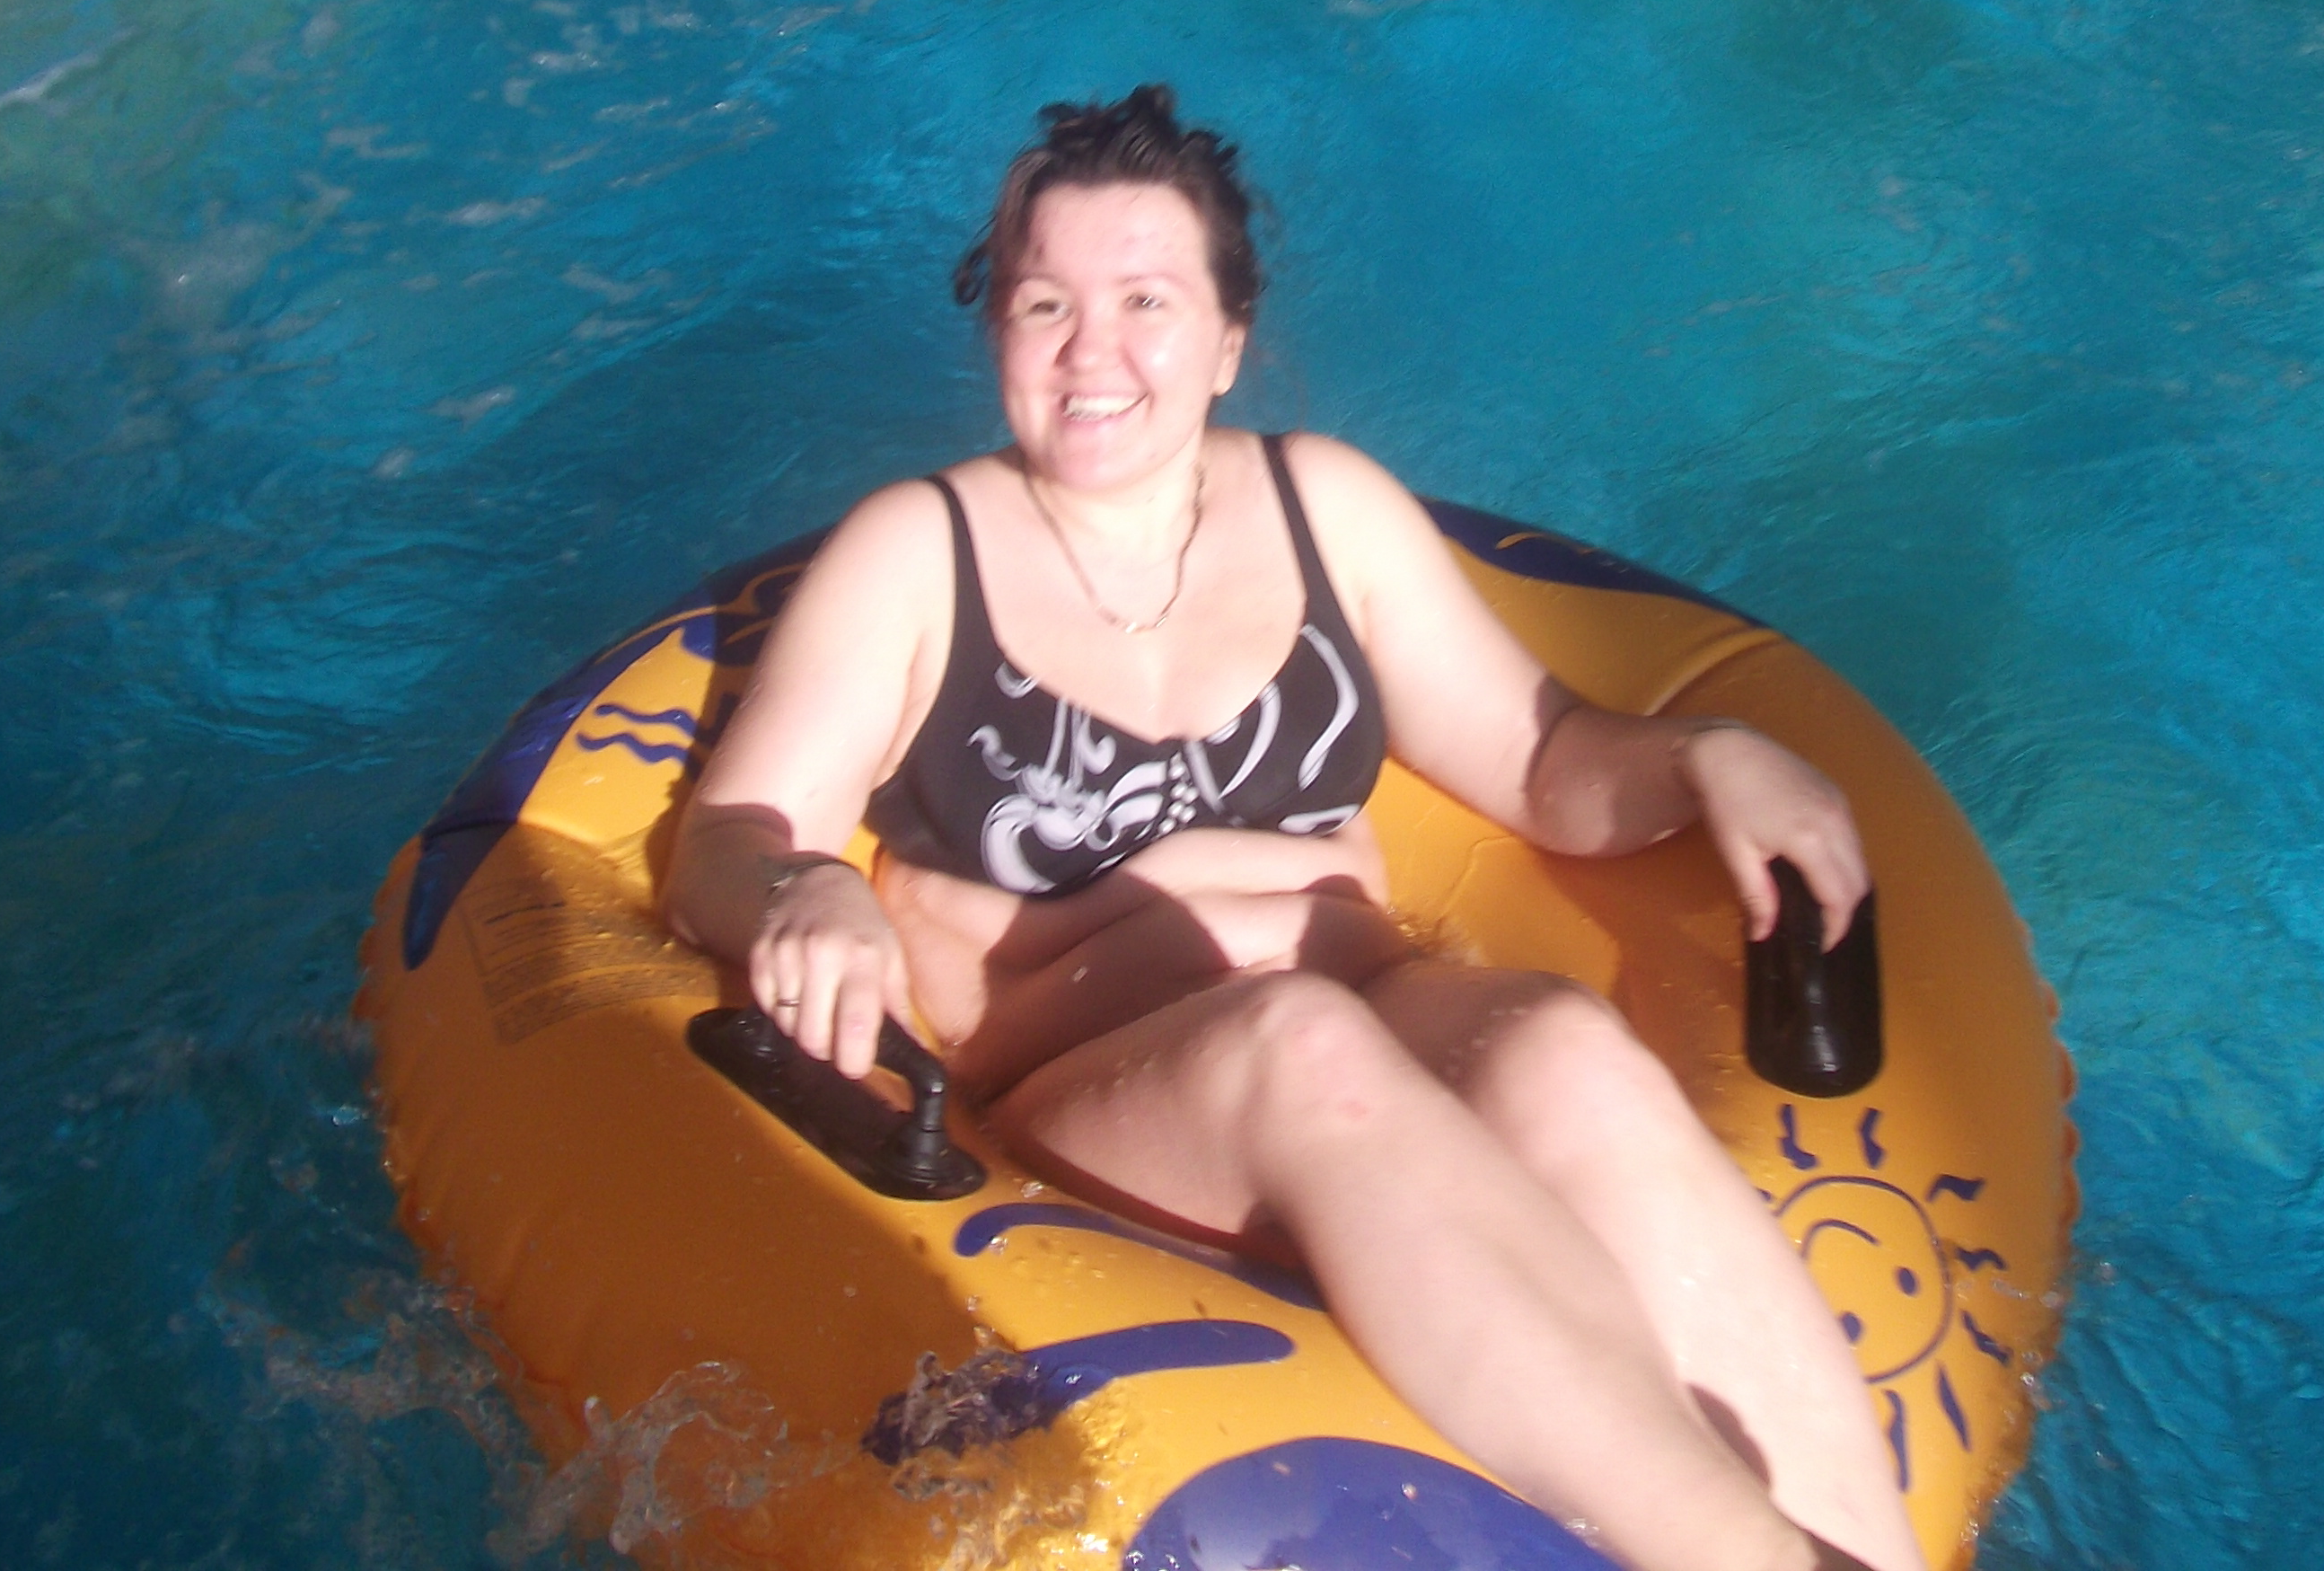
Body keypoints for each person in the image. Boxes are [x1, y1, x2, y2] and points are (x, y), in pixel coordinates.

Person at [670, 87, 1925, 1571]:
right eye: (1044, 303)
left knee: (1563, 1045)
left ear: (1227, 339)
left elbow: (1541, 762)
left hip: (1375, 1003)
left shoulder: (1327, 510)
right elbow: (723, 841)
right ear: (997, 329)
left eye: (1146, 300)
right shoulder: (918, 557)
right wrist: (800, 888)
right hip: (1101, 1087)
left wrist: (1712, 754)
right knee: (1300, 1048)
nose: (1090, 351)